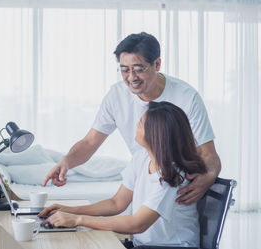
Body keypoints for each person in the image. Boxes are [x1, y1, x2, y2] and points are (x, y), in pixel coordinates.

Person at [42, 32, 221, 205]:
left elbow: (208, 154)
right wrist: (66, 161)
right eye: (125, 70)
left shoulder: (186, 97)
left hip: (175, 188)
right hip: (144, 179)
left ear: (157, 64)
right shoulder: (117, 95)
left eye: (138, 69)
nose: (131, 78)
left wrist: (209, 176)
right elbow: (90, 142)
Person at [39, 101, 206, 247]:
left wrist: (77, 220)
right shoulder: (142, 157)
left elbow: (137, 224)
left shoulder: (173, 176)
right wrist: (71, 211)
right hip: (142, 244)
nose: (136, 125)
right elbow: (116, 203)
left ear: (155, 133)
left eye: (140, 123)